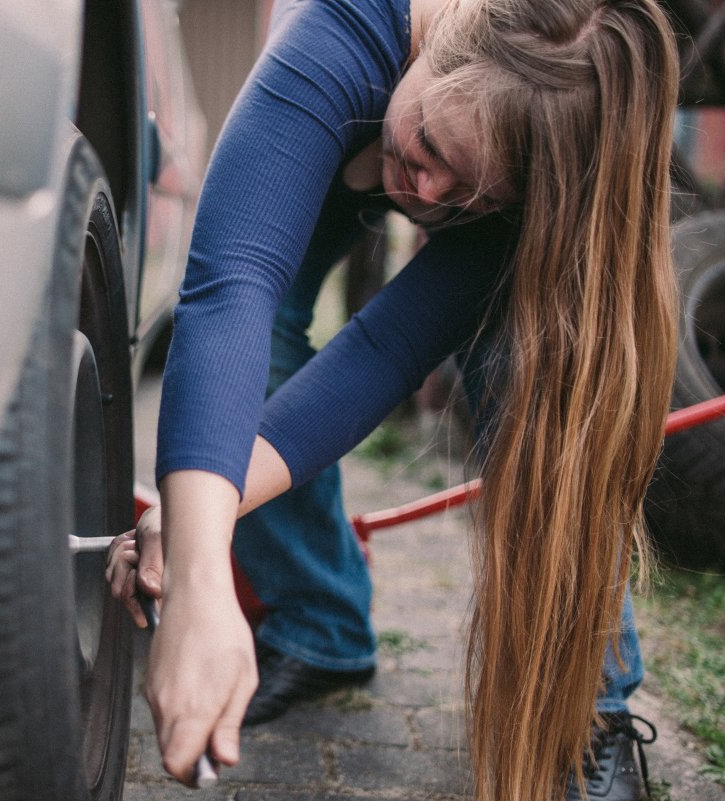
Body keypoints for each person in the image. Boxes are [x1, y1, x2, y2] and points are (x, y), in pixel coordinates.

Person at [105, 0, 679, 799]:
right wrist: (201, 567)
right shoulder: (339, 36)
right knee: (256, 340)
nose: (428, 194)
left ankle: (589, 706)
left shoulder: (536, 162)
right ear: (439, 48)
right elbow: (231, 288)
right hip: (340, 117)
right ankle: (319, 621)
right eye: (432, 146)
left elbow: (384, 351)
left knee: (535, 369)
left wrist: (203, 507)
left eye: (472, 196)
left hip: (490, 162)